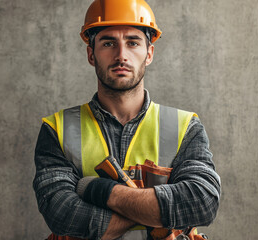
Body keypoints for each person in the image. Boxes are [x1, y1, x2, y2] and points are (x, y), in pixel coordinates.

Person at [32, 0, 221, 239]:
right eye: (108, 43)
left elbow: (202, 203)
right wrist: (157, 215)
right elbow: (61, 213)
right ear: (91, 54)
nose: (121, 55)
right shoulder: (57, 129)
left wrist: (101, 191)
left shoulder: (185, 127)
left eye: (133, 42)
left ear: (149, 53)